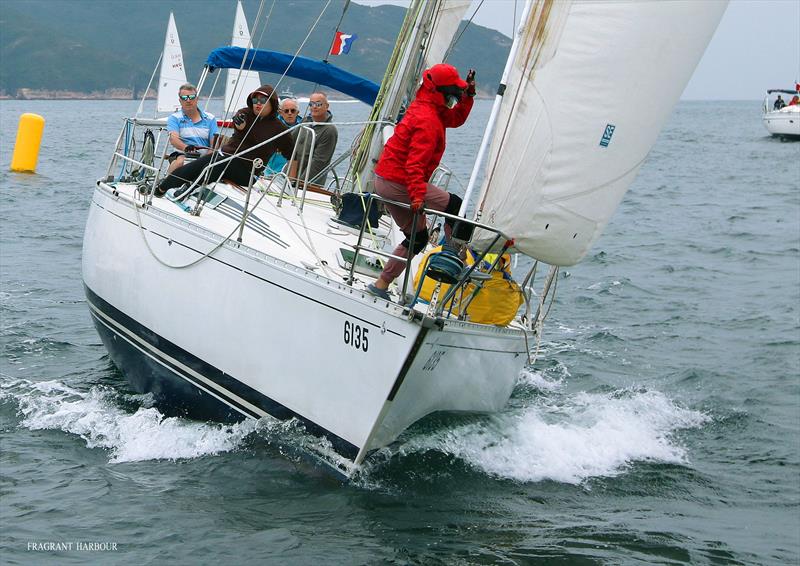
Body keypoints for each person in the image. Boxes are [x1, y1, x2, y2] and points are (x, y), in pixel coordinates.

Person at [366, 64, 476, 300]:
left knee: (418, 237)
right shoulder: (427, 119)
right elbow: (414, 164)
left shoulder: (427, 107)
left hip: (385, 180)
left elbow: (455, 119)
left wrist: (468, 96)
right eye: (453, 94)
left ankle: (381, 284)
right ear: (442, 93)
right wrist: (417, 196)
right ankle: (453, 259)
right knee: (456, 206)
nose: (452, 99)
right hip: (399, 183)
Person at [156, 85, 294, 198]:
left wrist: (292, 182)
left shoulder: (279, 129)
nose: (258, 103)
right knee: (200, 164)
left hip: (247, 172)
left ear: (272, 102)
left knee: (217, 163)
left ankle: (188, 187)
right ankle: (162, 188)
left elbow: (293, 155)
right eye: (255, 100)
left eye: (263, 100)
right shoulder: (245, 113)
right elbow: (240, 123)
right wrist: (239, 123)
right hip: (226, 158)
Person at [166, 83, 219, 173]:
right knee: (181, 162)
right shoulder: (174, 118)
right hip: (182, 153)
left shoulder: (210, 118)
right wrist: (186, 148)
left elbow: (214, 145)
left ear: (197, 99)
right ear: (180, 101)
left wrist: (205, 160)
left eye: (191, 97)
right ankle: (165, 185)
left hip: (204, 157)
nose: (188, 100)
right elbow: (173, 139)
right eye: (184, 98)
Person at [289, 92, 338, 187]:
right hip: (292, 179)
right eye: (311, 104)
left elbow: (318, 162)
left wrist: (300, 183)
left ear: (326, 106)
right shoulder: (305, 121)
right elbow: (290, 140)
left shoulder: (329, 130)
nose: (314, 107)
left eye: (318, 104)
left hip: (309, 185)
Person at [265, 97, 302, 175]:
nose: (289, 113)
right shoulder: (272, 125)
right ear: (280, 112)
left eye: (293, 110)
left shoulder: (304, 127)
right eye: (286, 111)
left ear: (297, 112)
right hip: (270, 170)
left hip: (293, 172)